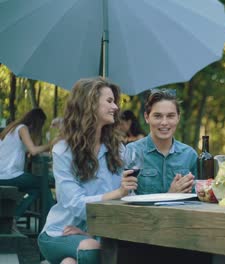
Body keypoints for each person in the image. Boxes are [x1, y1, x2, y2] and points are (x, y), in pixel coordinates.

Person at [37, 77, 136, 264]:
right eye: (109, 101)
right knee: (92, 249)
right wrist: (118, 193)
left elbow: (126, 200)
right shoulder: (63, 150)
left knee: (71, 261)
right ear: (89, 104)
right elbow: (75, 204)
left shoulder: (117, 149)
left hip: (98, 235)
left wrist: (90, 233)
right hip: (59, 233)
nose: (115, 107)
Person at [125, 89, 197, 194]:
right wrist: (170, 196)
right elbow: (127, 199)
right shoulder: (132, 151)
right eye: (157, 116)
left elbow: (199, 199)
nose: (164, 122)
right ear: (147, 117)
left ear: (178, 118)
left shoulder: (190, 155)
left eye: (170, 116)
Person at [0, 108, 55, 219]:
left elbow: (24, 150)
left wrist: (29, 152)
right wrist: (52, 144)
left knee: (35, 190)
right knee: (45, 181)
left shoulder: (12, 128)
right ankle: (54, 219)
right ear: (37, 122)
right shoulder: (22, 128)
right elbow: (33, 150)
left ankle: (13, 218)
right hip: (10, 175)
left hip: (4, 174)